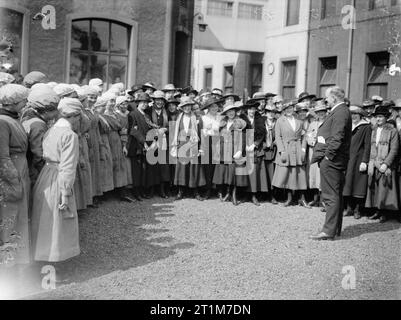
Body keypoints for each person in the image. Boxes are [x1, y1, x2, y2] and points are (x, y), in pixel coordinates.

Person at [30, 97, 82, 262]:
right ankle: (53, 261)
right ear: (74, 116)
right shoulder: (70, 135)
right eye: (78, 116)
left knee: (44, 218)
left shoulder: (50, 130)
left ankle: (40, 255)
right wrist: (65, 193)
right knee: (57, 220)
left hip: (46, 175)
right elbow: (67, 167)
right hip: (59, 177)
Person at [310, 86, 352, 241]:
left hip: (332, 161)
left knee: (330, 195)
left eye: (327, 97)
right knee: (335, 195)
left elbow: (337, 137)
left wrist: (328, 156)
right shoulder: (340, 111)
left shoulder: (340, 111)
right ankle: (334, 229)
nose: (326, 100)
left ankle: (328, 231)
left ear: (334, 97)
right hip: (335, 160)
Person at [0, 84, 30, 267]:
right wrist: (13, 182)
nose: (26, 103)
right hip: (10, 174)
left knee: (18, 215)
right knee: (9, 215)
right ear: (13, 103)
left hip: (19, 169)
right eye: (23, 101)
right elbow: (1, 156)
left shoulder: (13, 118)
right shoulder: (3, 121)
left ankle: (17, 260)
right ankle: (7, 263)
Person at [272, 100, 310, 208]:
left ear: (293, 109)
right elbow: (278, 137)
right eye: (286, 109)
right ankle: (289, 199)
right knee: (288, 174)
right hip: (286, 148)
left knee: (300, 173)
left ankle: (302, 199)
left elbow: (304, 136)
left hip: (297, 148)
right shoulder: (280, 121)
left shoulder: (299, 121)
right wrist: (282, 151)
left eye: (291, 108)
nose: (289, 110)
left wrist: (303, 149)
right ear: (283, 110)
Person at [365, 105, 399, 223]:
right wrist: (371, 161)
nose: (378, 119)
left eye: (381, 116)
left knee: (385, 189)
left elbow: (394, 149)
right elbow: (371, 147)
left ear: (386, 117)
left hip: (386, 162)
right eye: (377, 117)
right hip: (375, 161)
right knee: (375, 187)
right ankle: (377, 210)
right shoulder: (374, 130)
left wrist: (386, 163)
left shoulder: (392, 131)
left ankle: (385, 213)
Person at [21, 85, 60, 186]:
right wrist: (44, 172)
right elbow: (38, 153)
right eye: (54, 110)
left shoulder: (29, 117)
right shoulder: (38, 125)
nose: (56, 114)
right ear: (46, 111)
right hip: (34, 170)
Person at [212, 102, 247, 206]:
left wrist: (240, 150)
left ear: (235, 111)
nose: (231, 113)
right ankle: (224, 192)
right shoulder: (222, 122)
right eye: (229, 111)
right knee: (223, 172)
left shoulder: (240, 122)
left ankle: (233, 194)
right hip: (223, 149)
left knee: (233, 173)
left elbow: (242, 137)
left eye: (232, 111)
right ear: (226, 113)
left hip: (233, 149)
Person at [171, 97, 206, 201]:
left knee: (194, 167)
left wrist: (201, 148)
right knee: (182, 168)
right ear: (182, 107)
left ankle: (195, 192)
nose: (187, 108)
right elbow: (175, 132)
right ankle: (181, 191)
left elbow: (201, 134)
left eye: (189, 106)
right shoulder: (178, 118)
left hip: (193, 144)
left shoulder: (197, 118)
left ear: (191, 106)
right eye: (185, 106)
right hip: (182, 144)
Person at [343, 105, 371, 219]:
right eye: (352, 114)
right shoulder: (347, 126)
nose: (353, 116)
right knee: (348, 183)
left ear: (360, 115)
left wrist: (365, 161)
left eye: (356, 114)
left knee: (359, 185)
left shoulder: (365, 127)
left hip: (359, 158)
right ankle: (349, 207)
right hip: (348, 158)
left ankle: (357, 209)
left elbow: (367, 145)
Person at [127, 93, 156, 200]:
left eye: (146, 103)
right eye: (142, 102)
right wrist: (143, 142)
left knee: (144, 169)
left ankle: (142, 190)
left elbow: (150, 129)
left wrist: (152, 141)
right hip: (136, 146)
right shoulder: (132, 114)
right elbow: (133, 131)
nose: (144, 104)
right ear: (138, 103)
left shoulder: (147, 115)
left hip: (146, 145)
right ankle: (136, 191)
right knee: (137, 170)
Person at [243, 101, 269, 206]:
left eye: (253, 109)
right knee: (245, 171)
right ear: (247, 110)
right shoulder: (242, 119)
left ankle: (254, 194)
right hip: (244, 147)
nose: (252, 111)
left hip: (255, 148)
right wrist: (244, 145)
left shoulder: (260, 120)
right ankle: (245, 193)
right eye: (250, 109)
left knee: (255, 172)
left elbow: (263, 133)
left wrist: (255, 144)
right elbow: (239, 132)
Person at [83, 86, 103, 205]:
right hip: (87, 138)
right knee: (88, 165)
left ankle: (95, 194)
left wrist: (100, 141)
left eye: (95, 97)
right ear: (86, 97)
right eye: (90, 97)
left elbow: (96, 128)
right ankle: (87, 197)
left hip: (95, 138)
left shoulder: (94, 110)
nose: (92, 100)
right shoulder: (82, 111)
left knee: (96, 166)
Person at [305, 100, 327, 208]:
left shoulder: (328, 123)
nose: (321, 113)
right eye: (318, 112)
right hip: (313, 151)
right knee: (313, 175)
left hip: (323, 152)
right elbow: (308, 135)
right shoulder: (312, 124)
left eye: (322, 111)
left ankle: (323, 200)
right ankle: (315, 198)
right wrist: (311, 141)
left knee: (322, 175)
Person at [148, 90, 170, 198]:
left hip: (164, 141)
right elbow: (145, 125)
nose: (159, 102)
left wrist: (165, 129)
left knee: (163, 165)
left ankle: (162, 190)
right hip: (152, 140)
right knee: (152, 165)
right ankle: (151, 190)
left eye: (161, 100)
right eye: (157, 100)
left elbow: (172, 126)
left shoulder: (167, 113)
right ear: (154, 101)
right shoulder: (148, 111)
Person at [200, 97, 221, 199]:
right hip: (207, 142)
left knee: (217, 166)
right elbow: (200, 133)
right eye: (212, 106)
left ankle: (217, 189)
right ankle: (208, 189)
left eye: (216, 106)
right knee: (207, 167)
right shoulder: (204, 118)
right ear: (208, 108)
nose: (214, 108)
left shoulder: (221, 117)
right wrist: (205, 130)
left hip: (218, 142)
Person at [262, 104, 279, 204]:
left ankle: (273, 195)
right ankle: (264, 194)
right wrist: (264, 143)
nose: (271, 114)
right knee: (264, 173)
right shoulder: (262, 122)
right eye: (269, 112)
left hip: (274, 150)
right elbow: (259, 134)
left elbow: (281, 134)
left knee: (273, 172)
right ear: (266, 113)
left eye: (273, 112)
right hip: (264, 150)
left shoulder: (278, 123)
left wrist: (275, 142)